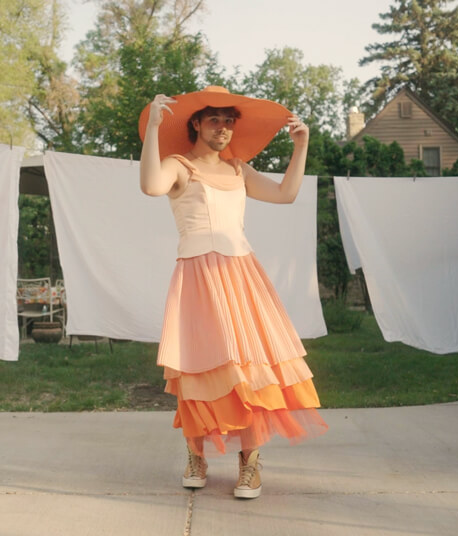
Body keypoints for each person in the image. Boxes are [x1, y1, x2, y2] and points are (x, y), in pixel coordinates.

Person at [139, 86, 328, 499]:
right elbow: (152, 186)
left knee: (248, 368)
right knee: (197, 369)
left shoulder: (238, 169)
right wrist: (153, 126)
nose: (222, 128)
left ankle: (250, 463)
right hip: (198, 277)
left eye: (228, 121)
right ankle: (196, 456)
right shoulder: (179, 165)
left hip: (241, 275)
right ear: (196, 123)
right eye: (214, 120)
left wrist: (301, 147)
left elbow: (285, 194)